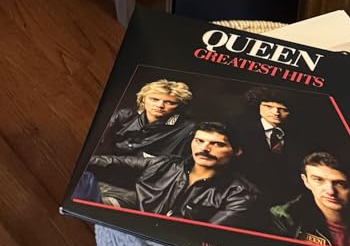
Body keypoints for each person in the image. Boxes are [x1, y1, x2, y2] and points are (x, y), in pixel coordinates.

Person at [82, 78, 195, 208]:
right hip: (102, 174)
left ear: (180, 106)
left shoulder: (188, 129)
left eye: (169, 102)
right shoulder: (124, 115)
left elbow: (171, 167)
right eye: (154, 99)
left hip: (140, 187)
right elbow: (96, 144)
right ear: (143, 99)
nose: (160, 105)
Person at [132, 120, 261, 228]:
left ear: (237, 151)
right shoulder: (167, 164)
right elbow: (113, 161)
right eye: (199, 141)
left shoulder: (241, 194)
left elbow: (202, 235)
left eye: (217, 144)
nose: (204, 149)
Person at [270, 152, 350, 246]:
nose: (330, 191)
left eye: (340, 183)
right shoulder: (285, 218)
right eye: (319, 180)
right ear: (306, 181)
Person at [230, 87, 303, 202]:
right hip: (245, 196)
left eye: (282, 109)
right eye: (268, 107)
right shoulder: (240, 131)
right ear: (258, 106)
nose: (276, 113)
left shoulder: (297, 136)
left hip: (283, 198)